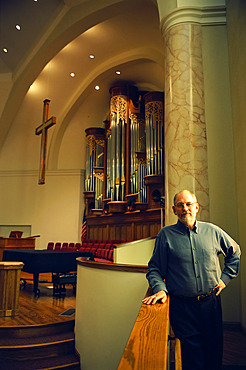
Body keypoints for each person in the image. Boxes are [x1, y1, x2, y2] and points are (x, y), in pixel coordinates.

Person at [142, 189, 241, 370]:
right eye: (180, 205)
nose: (185, 208)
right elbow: (154, 269)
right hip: (182, 308)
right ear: (174, 210)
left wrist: (225, 278)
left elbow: (235, 252)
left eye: (188, 204)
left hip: (211, 304)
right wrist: (160, 289)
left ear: (196, 207)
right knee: (191, 358)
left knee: (213, 352)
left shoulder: (213, 231)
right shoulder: (165, 235)